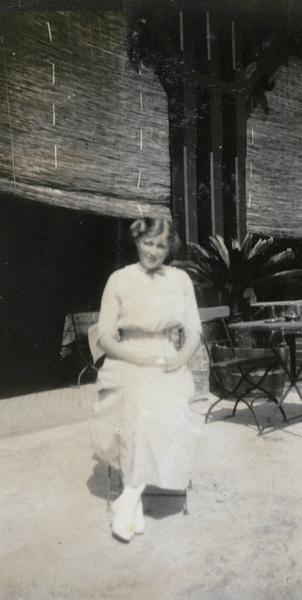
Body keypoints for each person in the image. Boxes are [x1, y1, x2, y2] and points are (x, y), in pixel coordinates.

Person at [90, 217, 202, 542]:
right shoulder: (119, 279)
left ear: (170, 248)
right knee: (137, 401)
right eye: (148, 243)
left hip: (167, 357)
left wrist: (180, 359)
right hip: (125, 358)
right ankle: (132, 500)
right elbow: (106, 336)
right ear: (138, 242)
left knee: (159, 403)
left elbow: (194, 331)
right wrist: (136, 358)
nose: (153, 251)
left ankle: (127, 500)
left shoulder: (180, 279)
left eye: (161, 245)